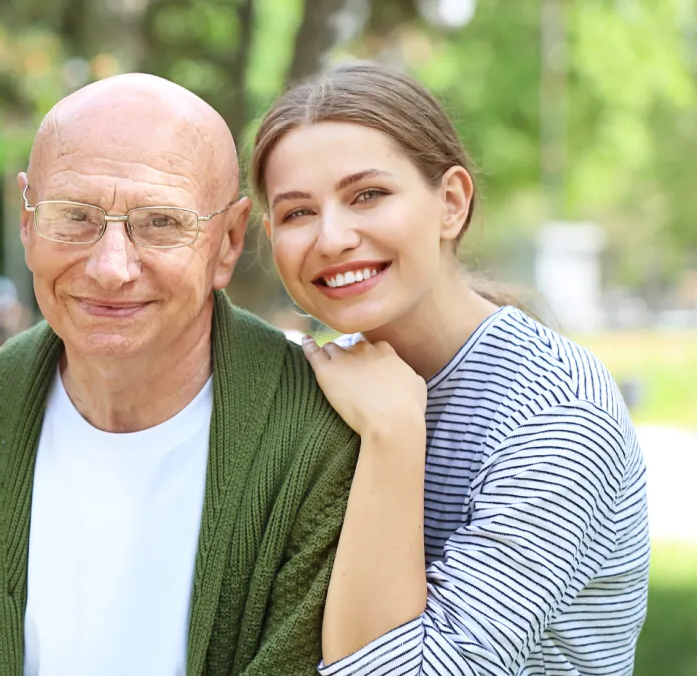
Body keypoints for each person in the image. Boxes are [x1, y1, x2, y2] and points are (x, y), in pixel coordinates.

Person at [0, 73, 360, 675]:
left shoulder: (323, 437)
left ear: (227, 242)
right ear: (27, 221)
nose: (111, 267)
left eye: (161, 223)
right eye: (74, 216)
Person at [249, 62, 650, 674]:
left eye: (368, 195)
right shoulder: (323, 380)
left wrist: (394, 434)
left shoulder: (558, 414)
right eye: (297, 212)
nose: (331, 238)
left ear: (451, 203)